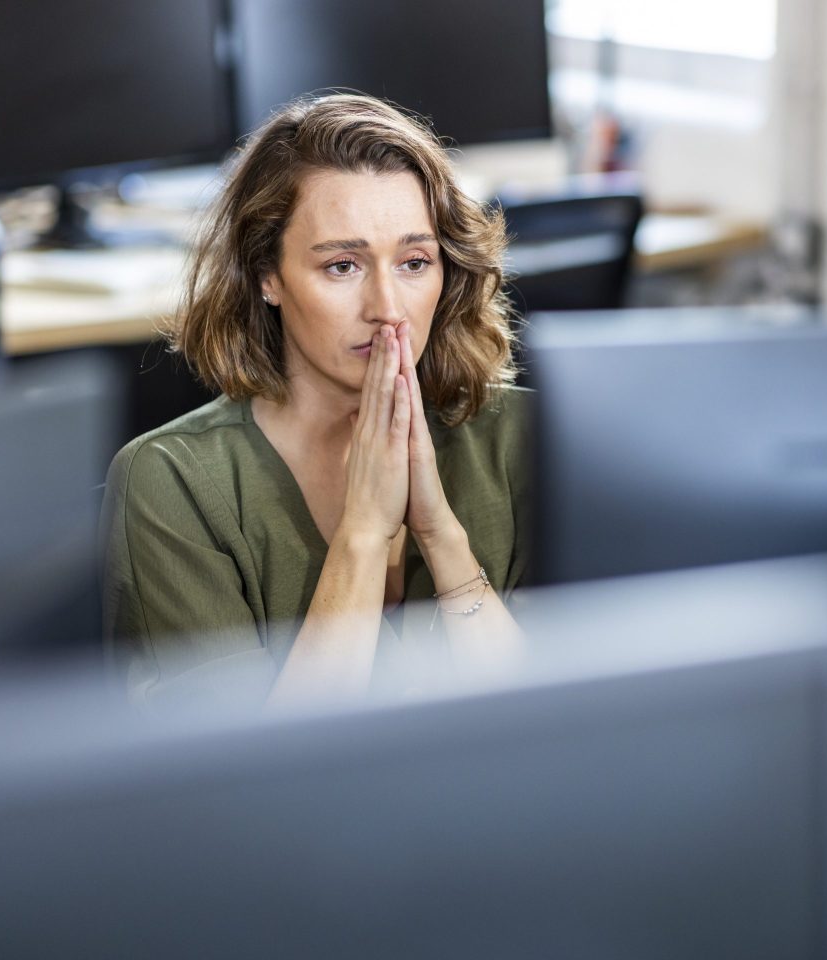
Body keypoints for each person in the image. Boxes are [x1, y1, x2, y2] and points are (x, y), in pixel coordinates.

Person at [101, 94, 530, 710]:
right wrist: (362, 533)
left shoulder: (522, 437)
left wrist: (442, 539)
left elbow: (564, 732)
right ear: (266, 276)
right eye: (342, 266)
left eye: (414, 262)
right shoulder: (173, 483)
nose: (387, 307)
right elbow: (252, 787)